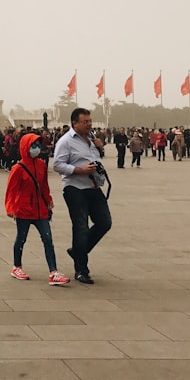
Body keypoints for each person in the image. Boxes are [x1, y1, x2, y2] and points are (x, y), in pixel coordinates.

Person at [53, 108, 111, 285]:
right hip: (74, 187)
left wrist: (100, 149)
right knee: (81, 227)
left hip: (93, 186)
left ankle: (78, 251)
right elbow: (57, 165)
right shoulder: (66, 142)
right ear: (74, 123)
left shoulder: (92, 140)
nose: (89, 124)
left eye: (90, 121)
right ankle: (81, 270)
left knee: (104, 222)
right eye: (85, 122)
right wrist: (79, 170)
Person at [5, 132, 70, 286]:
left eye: (38, 145)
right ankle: (17, 266)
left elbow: (44, 185)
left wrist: (48, 199)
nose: (36, 148)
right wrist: (11, 208)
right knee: (21, 238)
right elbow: (11, 190)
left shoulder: (41, 164)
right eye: (33, 145)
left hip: (40, 209)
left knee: (48, 239)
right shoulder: (18, 168)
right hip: (24, 209)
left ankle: (53, 272)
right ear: (25, 147)